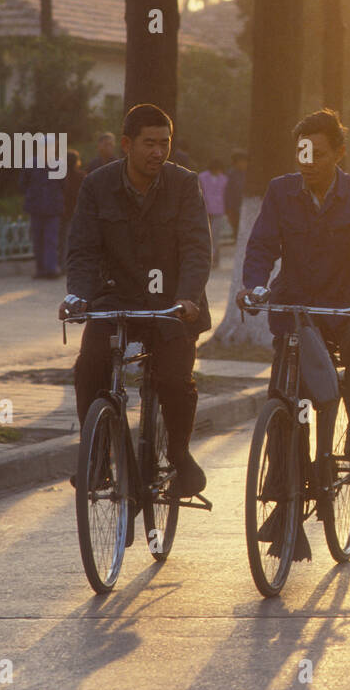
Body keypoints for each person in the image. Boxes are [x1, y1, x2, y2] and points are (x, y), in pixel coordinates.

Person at [62, 103, 212, 497]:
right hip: (116, 299)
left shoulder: (183, 184)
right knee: (90, 365)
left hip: (173, 304)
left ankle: (179, 455)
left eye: (164, 143)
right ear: (126, 144)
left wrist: (188, 298)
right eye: (149, 143)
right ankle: (96, 455)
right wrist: (77, 295)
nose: (158, 152)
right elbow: (82, 249)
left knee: (174, 379)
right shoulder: (96, 185)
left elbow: (197, 249)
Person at [241, 108, 350, 458]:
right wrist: (254, 286)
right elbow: (262, 245)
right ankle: (280, 496)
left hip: (345, 309)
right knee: (284, 401)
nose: (307, 163)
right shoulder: (281, 191)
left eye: (318, 154)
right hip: (294, 309)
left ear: (340, 154)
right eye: (301, 154)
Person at [20, 139, 65, 279]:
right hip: (36, 207)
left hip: (52, 208)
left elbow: (64, 185)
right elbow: (23, 184)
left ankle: (50, 269)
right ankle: (41, 269)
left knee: (51, 239)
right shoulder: (30, 164)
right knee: (38, 239)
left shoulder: (59, 164)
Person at [59, 149, 86, 271]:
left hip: (63, 211)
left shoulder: (60, 175)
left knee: (63, 239)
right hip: (78, 211)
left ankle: (63, 264)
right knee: (79, 240)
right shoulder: (82, 176)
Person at [199, 158, 229, 267]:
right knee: (206, 235)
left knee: (215, 236)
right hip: (205, 209)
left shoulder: (224, 179)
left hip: (219, 210)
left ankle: (214, 260)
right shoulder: (202, 177)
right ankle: (209, 259)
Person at [224, 149, 247, 240]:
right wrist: (229, 209)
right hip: (235, 207)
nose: (244, 164)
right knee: (237, 230)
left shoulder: (248, 174)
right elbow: (228, 193)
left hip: (245, 205)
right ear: (236, 162)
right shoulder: (231, 174)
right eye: (242, 161)